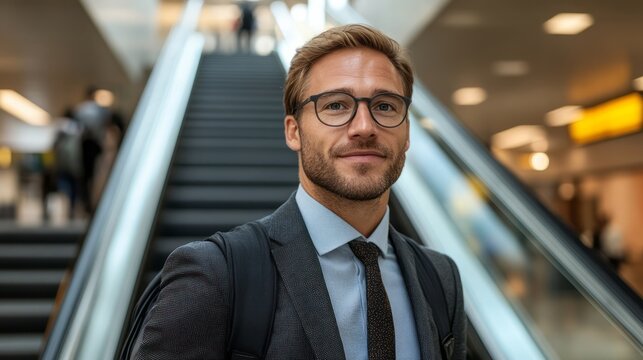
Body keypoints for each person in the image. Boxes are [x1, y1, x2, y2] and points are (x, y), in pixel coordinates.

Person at [132, 24, 465, 359]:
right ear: (294, 132)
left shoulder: (440, 278)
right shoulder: (216, 275)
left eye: (385, 106)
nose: (365, 127)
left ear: (406, 133)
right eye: (335, 105)